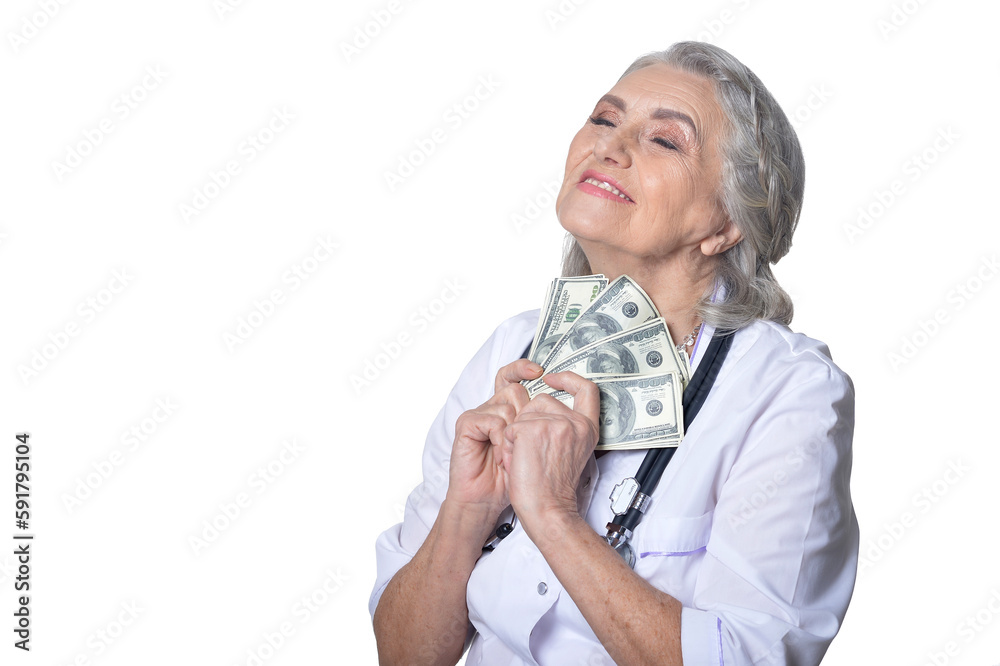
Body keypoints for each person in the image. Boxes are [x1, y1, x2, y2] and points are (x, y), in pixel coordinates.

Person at [369, 41, 858, 665]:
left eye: (665, 141)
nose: (609, 146)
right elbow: (402, 654)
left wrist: (553, 516)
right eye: (604, 119)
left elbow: (747, 657)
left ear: (725, 225)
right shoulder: (512, 350)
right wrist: (467, 511)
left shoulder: (788, 391)